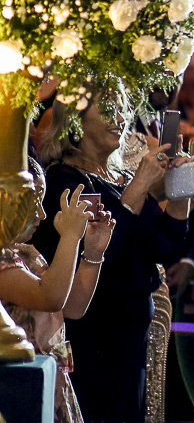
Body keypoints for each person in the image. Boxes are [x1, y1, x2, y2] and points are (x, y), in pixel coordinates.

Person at [34, 97, 194, 423]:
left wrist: (182, 193)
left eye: (123, 109)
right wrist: (140, 186)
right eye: (109, 109)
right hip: (95, 332)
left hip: (132, 336)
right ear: (76, 118)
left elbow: (164, 250)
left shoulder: (120, 177)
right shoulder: (63, 180)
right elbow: (101, 253)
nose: (120, 118)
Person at [0, 158, 114, 423]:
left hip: (51, 381)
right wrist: (70, 236)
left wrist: (93, 252)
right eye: (33, 203)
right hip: (21, 386)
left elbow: (71, 307)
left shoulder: (26, 253)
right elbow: (49, 297)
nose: (41, 214)